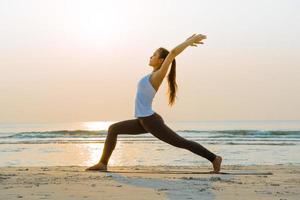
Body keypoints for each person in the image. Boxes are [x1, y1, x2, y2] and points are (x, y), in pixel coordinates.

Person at [86, 33, 222, 173]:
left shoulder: (158, 75)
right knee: (113, 129)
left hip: (151, 121)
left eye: (154, 55)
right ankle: (103, 163)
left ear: (161, 60)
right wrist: (187, 41)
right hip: (143, 120)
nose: (151, 57)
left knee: (180, 142)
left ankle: (214, 158)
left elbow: (173, 53)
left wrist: (188, 42)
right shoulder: (150, 75)